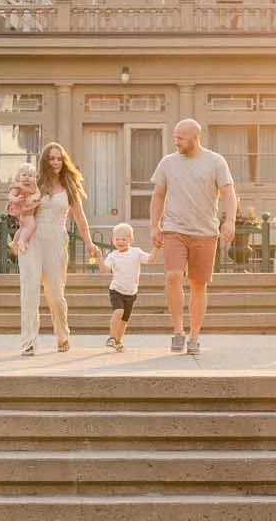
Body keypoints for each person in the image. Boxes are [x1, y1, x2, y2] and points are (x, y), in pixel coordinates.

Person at [147, 118, 237, 356]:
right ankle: (178, 330)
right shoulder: (168, 163)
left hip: (205, 231)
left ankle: (194, 335)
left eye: (180, 138)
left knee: (198, 284)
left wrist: (230, 221)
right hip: (175, 228)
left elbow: (229, 193)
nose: (175, 142)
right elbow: (158, 195)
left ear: (195, 138)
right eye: (175, 137)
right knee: (173, 275)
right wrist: (154, 226)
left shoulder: (215, 162)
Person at [16, 141, 96, 356]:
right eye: (51, 158)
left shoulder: (69, 186)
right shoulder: (36, 183)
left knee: (55, 294)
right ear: (45, 160)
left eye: (59, 158)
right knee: (30, 291)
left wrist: (89, 243)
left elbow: (80, 218)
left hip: (56, 240)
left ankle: (62, 335)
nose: (55, 162)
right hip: (33, 238)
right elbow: (18, 206)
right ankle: (29, 342)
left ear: (64, 161)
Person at [100, 221, 152, 351]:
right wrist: (98, 258)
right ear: (113, 240)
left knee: (124, 319)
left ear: (131, 239)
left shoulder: (136, 252)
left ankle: (118, 341)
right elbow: (104, 269)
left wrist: (156, 247)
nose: (120, 242)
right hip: (116, 289)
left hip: (131, 292)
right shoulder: (113, 256)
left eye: (124, 239)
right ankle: (111, 337)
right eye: (117, 239)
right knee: (119, 311)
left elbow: (150, 260)